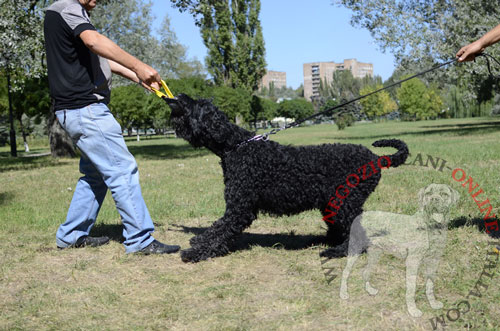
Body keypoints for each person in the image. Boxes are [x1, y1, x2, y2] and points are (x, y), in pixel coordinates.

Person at [44, 0, 180, 254]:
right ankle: (140, 240)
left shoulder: (58, 12)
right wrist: (140, 65)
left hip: (73, 111)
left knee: (95, 176)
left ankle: (71, 235)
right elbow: (94, 42)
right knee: (121, 170)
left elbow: (95, 57)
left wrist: (134, 75)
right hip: (87, 110)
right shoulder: (68, 8)